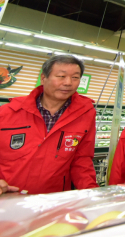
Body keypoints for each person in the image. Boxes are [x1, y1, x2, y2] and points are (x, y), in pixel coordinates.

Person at [0, 55, 97, 195]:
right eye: (61, 76)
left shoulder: (86, 114)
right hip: (8, 198)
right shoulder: (7, 113)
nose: (68, 82)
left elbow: (81, 160)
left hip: (54, 200)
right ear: (43, 78)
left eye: (75, 77)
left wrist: (92, 193)